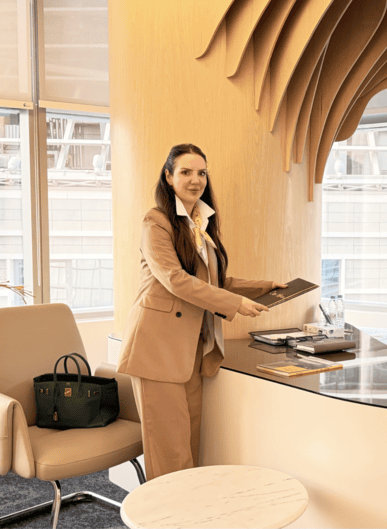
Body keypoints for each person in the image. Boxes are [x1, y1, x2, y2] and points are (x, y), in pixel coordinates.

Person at [117, 143, 286, 481]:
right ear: (169, 177)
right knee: (170, 454)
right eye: (186, 172)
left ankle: (186, 508)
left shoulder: (199, 222)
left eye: (201, 173)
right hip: (156, 347)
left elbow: (214, 282)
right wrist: (234, 304)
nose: (195, 180)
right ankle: (166, 511)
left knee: (189, 446)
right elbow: (175, 280)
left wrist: (267, 287)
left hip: (191, 348)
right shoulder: (156, 221)